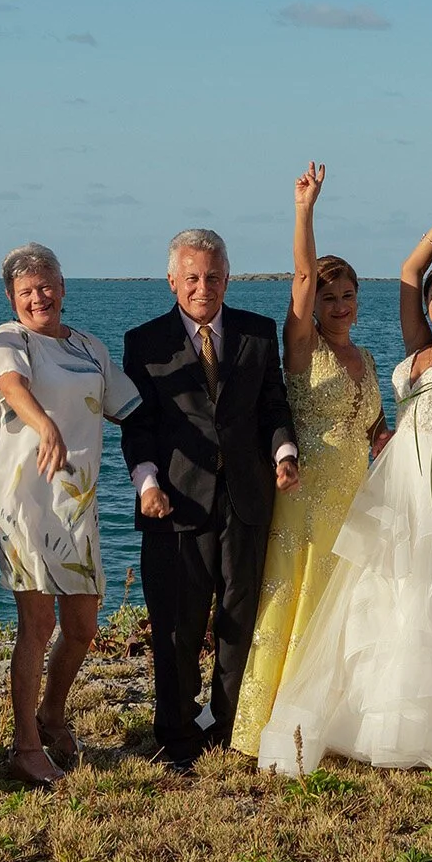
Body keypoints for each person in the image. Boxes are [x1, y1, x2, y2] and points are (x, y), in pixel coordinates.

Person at [254, 209, 432, 772]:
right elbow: (411, 269)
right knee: (381, 592)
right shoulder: (415, 348)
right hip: (393, 480)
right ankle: (369, 715)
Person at [120, 230, 297, 773]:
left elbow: (273, 407)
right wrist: (147, 485)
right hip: (173, 504)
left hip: (247, 499)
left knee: (239, 618)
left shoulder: (258, 333)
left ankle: (225, 726)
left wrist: (284, 453)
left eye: (214, 276)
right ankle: (175, 735)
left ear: (228, 277)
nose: (203, 287)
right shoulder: (144, 342)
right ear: (172, 279)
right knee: (177, 624)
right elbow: (137, 427)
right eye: (192, 277)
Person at [230, 166, 388, 758]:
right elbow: (300, 273)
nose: (340, 305)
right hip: (306, 492)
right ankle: (283, 725)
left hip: (355, 493)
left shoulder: (367, 358)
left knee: (346, 605)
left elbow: (372, 426)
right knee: (299, 602)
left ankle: (337, 720)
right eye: (329, 296)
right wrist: (305, 209)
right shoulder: (303, 346)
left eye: (348, 295)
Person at [0, 244, 141, 785]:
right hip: (23, 501)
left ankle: (51, 714)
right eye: (27, 291)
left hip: (77, 502)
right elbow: (10, 386)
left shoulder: (90, 347)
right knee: (37, 623)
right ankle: (24, 745)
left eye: (46, 285)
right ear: (11, 299)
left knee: (84, 625)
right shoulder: (9, 339)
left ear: (63, 288)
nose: (38, 296)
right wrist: (44, 425)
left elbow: (132, 409)